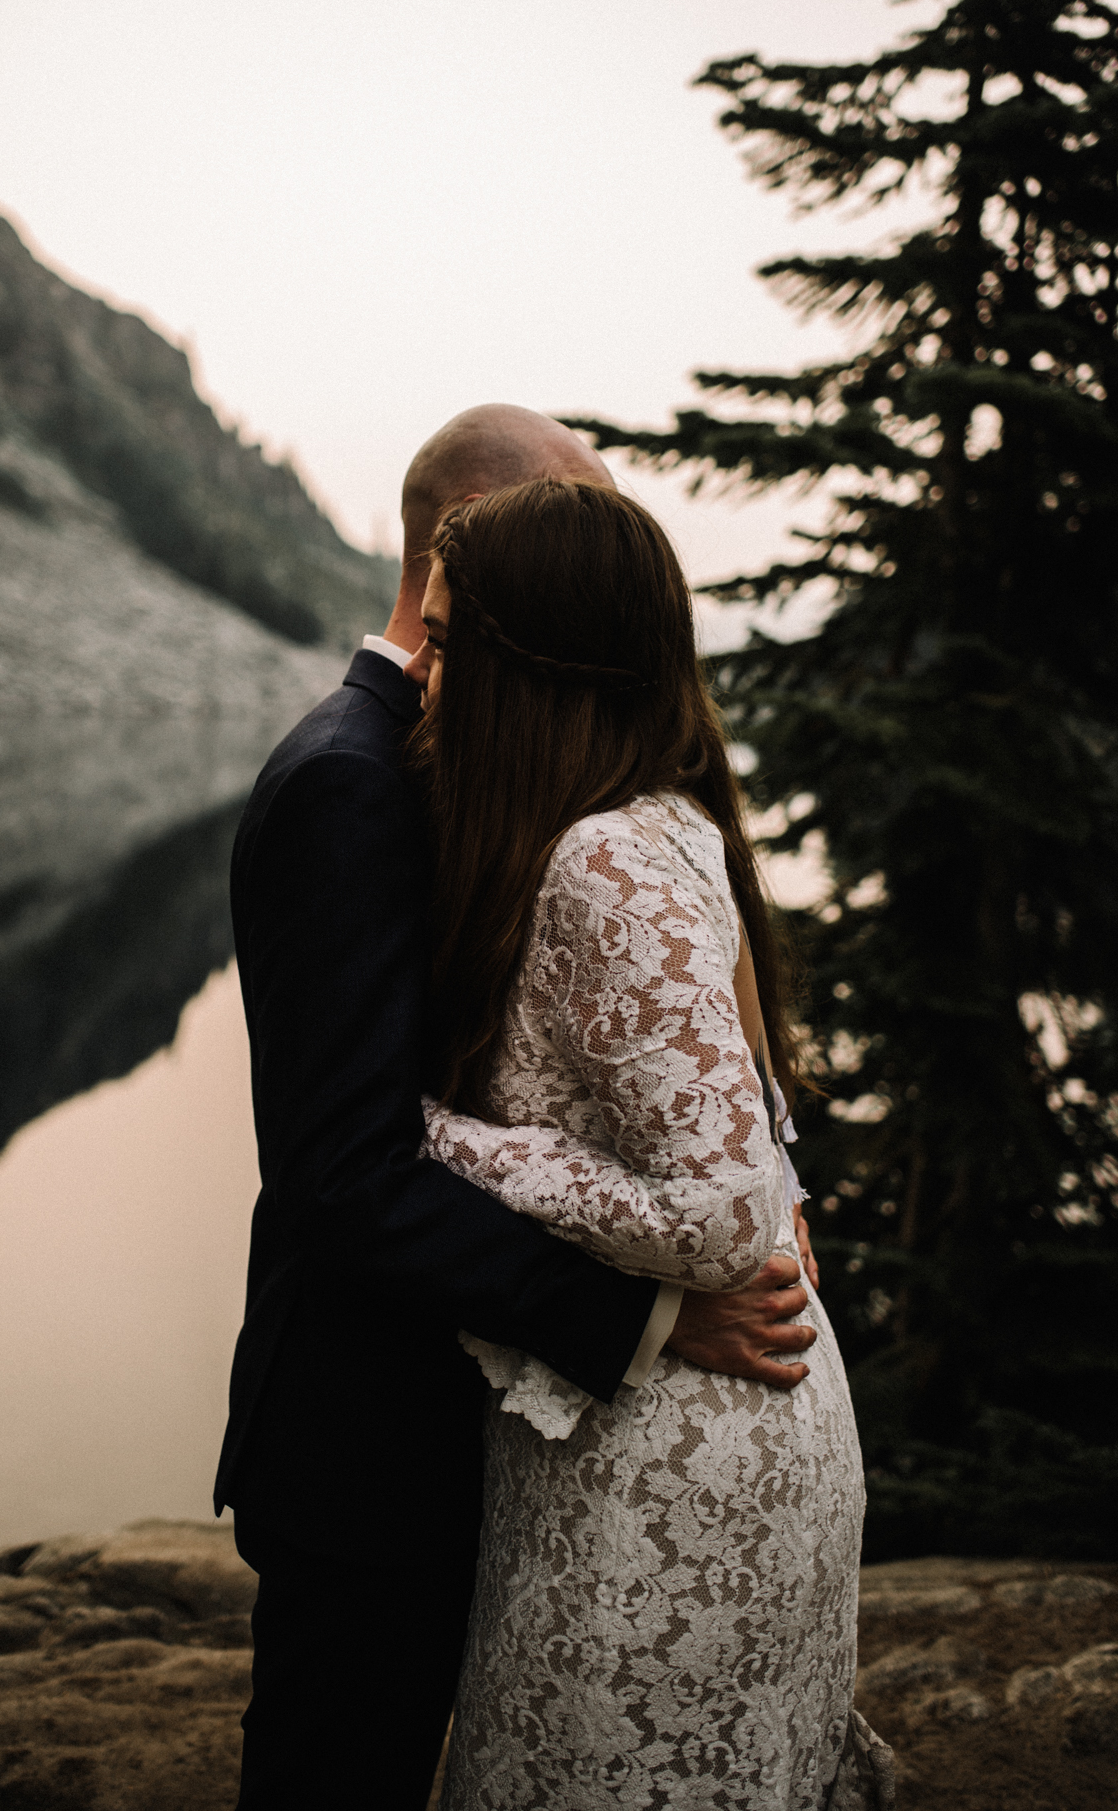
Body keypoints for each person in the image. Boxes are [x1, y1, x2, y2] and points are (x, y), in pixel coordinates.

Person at [215, 406, 821, 1811]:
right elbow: (346, 1172)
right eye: (564, 536)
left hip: (491, 1414)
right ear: (462, 556)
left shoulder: (476, 771)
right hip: (369, 1437)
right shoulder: (350, 785)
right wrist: (650, 1319)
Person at [405, 477, 889, 1809]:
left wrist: (448, 1141)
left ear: (524, 672)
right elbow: (743, 1120)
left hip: (674, 1471)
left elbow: (729, 1211)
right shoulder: (653, 819)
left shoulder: (599, 866)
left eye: (445, 643)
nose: (417, 672)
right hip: (643, 1425)